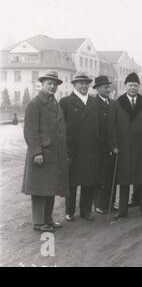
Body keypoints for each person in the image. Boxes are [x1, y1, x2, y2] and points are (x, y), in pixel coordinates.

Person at [22, 71, 69, 232]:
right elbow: (30, 131)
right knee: (39, 190)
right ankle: (38, 222)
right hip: (41, 155)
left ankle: (47, 219)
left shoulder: (55, 103)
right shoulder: (35, 104)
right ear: (42, 84)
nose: (52, 86)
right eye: (49, 83)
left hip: (54, 155)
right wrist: (37, 152)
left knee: (50, 189)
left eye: (55, 84)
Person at [109, 73, 142, 218]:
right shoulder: (117, 103)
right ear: (125, 86)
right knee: (124, 180)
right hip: (124, 148)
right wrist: (114, 145)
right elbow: (112, 127)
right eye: (130, 85)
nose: (133, 88)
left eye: (135, 85)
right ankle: (122, 210)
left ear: (139, 87)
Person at [60, 73, 100, 222]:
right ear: (74, 85)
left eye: (86, 83)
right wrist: (65, 148)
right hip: (73, 149)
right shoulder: (65, 102)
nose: (84, 86)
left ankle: (86, 211)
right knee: (72, 183)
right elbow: (60, 127)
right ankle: (69, 212)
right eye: (80, 83)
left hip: (90, 149)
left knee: (88, 182)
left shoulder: (93, 102)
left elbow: (99, 126)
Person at [93, 75, 116, 214]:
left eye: (108, 87)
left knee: (110, 176)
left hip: (111, 147)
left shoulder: (113, 104)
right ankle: (99, 204)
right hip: (98, 147)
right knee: (99, 177)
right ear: (98, 89)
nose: (108, 90)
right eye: (105, 87)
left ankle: (110, 203)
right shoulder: (93, 103)